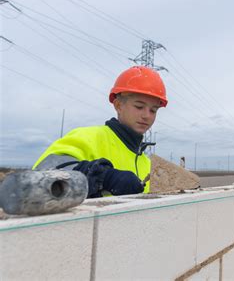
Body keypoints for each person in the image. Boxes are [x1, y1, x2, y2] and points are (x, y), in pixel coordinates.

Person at [33, 65, 168, 198]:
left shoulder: (147, 164)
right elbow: (41, 176)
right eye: (139, 106)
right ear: (118, 106)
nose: (147, 115)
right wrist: (104, 178)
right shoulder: (87, 137)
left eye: (153, 110)